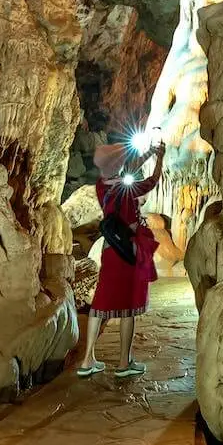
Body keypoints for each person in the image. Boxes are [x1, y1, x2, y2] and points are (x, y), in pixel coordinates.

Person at [76, 137, 166, 378]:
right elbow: (152, 181)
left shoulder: (101, 185)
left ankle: (87, 361)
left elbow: (129, 169)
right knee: (128, 306)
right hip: (129, 251)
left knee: (100, 303)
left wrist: (147, 154)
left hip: (109, 248)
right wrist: (159, 157)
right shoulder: (128, 187)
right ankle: (124, 363)